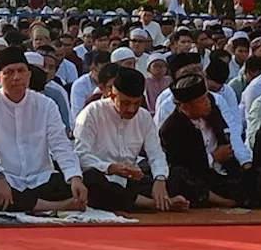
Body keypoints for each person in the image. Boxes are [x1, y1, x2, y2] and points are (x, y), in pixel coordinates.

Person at [0, 46, 88, 213]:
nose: (16, 77)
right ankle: (57, 206)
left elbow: (60, 145)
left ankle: (30, 204)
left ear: (29, 75)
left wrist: (74, 177)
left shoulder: (46, 105)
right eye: (9, 72)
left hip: (40, 178)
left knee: (78, 183)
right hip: (4, 178)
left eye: (21, 71)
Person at [74, 67, 187, 213]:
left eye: (136, 103)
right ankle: (155, 204)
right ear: (112, 95)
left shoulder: (144, 117)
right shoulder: (92, 113)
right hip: (104, 177)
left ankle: (148, 201)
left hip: (131, 180)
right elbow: (80, 155)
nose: (132, 109)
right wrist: (111, 167)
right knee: (91, 180)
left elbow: (156, 153)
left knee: (177, 176)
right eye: (126, 103)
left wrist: (160, 180)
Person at [159, 74, 254, 208]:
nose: (208, 102)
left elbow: (230, 136)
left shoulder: (212, 111)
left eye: (207, 97)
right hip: (198, 180)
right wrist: (212, 157)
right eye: (202, 100)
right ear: (186, 107)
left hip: (222, 174)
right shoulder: (171, 129)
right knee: (178, 179)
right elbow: (180, 165)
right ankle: (221, 201)